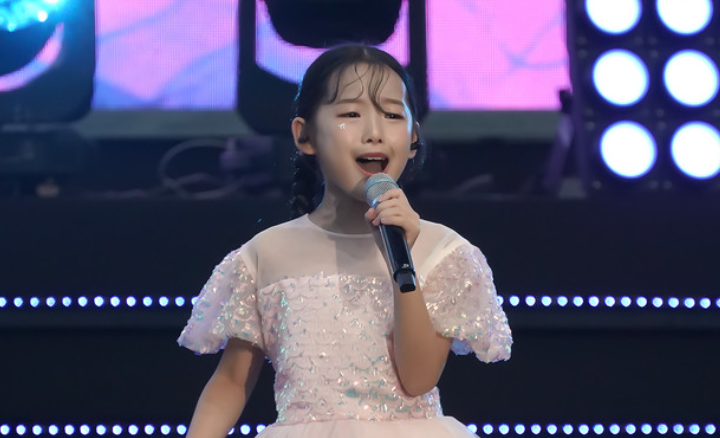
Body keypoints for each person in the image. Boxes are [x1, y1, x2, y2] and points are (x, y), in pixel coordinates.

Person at [177, 44, 513, 438]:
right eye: (351, 114)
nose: (374, 132)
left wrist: (401, 261)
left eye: (392, 115)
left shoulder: (442, 250)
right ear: (305, 135)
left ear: (413, 137)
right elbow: (232, 382)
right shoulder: (265, 253)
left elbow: (419, 378)